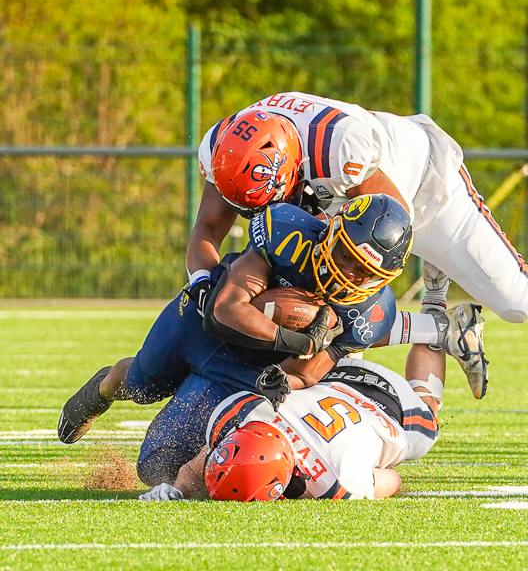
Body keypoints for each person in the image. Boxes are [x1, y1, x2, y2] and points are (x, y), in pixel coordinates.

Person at [195, 95, 528, 397]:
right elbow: (205, 234)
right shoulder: (230, 149)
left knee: (522, 302)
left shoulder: (338, 147)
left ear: (290, 164)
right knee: (319, 319)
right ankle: (443, 328)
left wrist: (330, 318)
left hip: (420, 194)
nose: (265, 215)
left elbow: (389, 232)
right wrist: (202, 283)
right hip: (350, 219)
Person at [58, 195, 451, 484]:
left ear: (381, 278)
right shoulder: (290, 235)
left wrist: (284, 378)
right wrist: (298, 340)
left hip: (244, 369)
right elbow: (225, 309)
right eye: (346, 255)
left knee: (157, 469)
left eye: (362, 270)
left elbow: (309, 371)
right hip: (196, 327)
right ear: (333, 231)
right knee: (141, 383)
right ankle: (106, 385)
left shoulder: (369, 313)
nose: (347, 272)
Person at [138, 343, 444, 501]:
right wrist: (177, 487)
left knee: (426, 415)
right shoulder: (252, 414)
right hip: (336, 373)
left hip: (392, 405)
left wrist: (366, 462)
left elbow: (394, 480)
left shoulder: (337, 481)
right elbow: (214, 459)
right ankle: (425, 321)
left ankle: (439, 324)